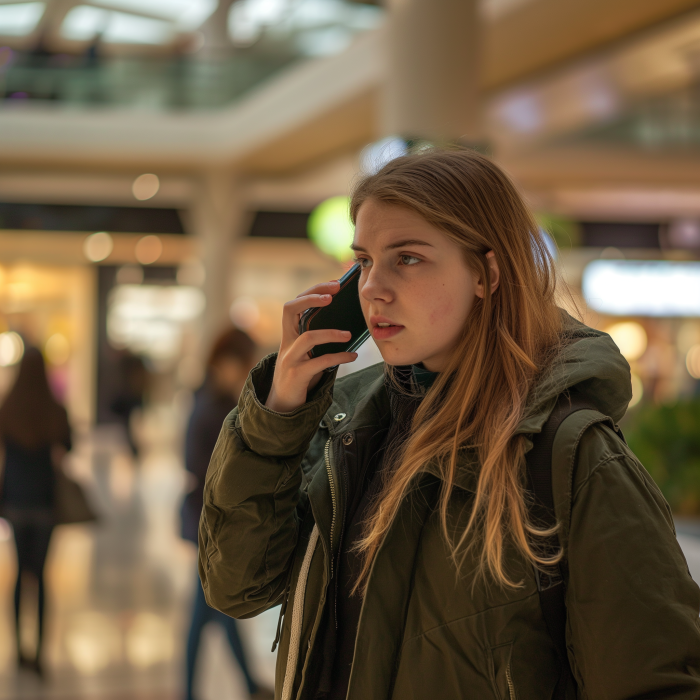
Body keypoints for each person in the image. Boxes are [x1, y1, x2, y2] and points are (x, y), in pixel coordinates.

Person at [198, 149, 700, 699]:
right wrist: (278, 418)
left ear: (486, 273)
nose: (372, 288)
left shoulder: (571, 455)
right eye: (364, 261)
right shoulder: (350, 431)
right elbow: (237, 587)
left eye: (407, 258)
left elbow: (655, 680)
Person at [181, 328, 272, 700]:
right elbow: (200, 465)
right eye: (241, 362)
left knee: (212, 608)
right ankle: (212, 688)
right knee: (212, 608)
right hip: (209, 521)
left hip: (209, 520)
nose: (244, 371)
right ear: (224, 362)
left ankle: (242, 685)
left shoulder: (212, 399)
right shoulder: (212, 406)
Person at [0, 346, 72, 678]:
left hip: (14, 498)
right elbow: (70, 446)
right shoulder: (55, 409)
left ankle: (17, 650)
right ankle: (40, 653)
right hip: (45, 500)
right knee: (40, 576)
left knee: (18, 574)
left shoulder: (8, 407)